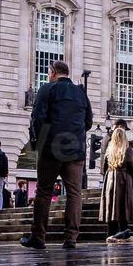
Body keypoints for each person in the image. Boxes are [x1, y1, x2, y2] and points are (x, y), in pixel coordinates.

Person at [22, 61, 92, 250]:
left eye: (48, 73)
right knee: (74, 194)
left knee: (44, 192)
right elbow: (89, 122)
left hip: (52, 148)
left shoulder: (47, 89)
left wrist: (38, 143)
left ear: (53, 73)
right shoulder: (81, 93)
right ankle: (71, 238)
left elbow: (37, 118)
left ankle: (38, 237)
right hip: (75, 150)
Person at [99, 120, 133, 243]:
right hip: (124, 180)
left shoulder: (108, 151)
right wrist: (132, 176)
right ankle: (124, 231)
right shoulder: (128, 151)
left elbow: (104, 168)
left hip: (110, 180)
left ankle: (111, 233)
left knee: (111, 205)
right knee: (123, 206)